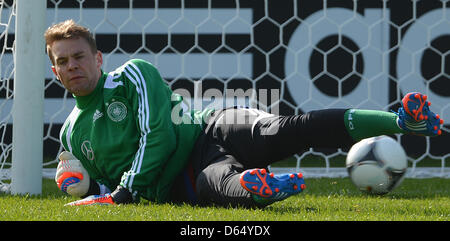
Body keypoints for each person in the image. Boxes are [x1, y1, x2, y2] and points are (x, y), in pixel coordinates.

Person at [46, 19, 444, 208]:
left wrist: (122, 194)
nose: (72, 66)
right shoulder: (71, 135)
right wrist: (83, 186)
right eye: (63, 61)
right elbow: (98, 184)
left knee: (287, 129)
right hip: (187, 179)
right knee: (217, 185)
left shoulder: (133, 75)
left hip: (209, 127)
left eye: (79, 56)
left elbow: (160, 136)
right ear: (54, 70)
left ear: (97, 58)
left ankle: (401, 121)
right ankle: (268, 186)